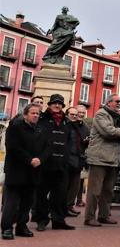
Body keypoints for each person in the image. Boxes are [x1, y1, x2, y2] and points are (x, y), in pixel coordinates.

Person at [84, 94, 120, 227]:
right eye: (117, 101)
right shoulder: (101, 114)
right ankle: (89, 217)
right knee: (94, 191)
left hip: (113, 159)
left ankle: (104, 215)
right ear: (108, 103)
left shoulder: (117, 117)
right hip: (99, 158)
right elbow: (108, 131)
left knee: (108, 191)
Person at [1, 104, 45, 240]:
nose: (36, 115)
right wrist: (30, 159)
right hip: (16, 170)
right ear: (25, 114)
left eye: (38, 113)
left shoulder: (41, 129)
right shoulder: (15, 127)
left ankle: (21, 227)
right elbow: (13, 147)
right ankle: (7, 228)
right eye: (33, 113)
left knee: (27, 202)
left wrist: (40, 159)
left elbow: (47, 147)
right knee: (12, 203)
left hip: (34, 171)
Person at [32, 94, 75, 231]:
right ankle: (41, 220)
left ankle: (58, 221)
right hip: (45, 164)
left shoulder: (67, 122)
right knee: (41, 194)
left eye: (60, 104)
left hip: (62, 164)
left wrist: (67, 159)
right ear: (49, 105)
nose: (57, 106)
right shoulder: (42, 119)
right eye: (54, 103)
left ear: (63, 106)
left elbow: (69, 142)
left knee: (60, 195)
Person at [65, 106, 89, 218]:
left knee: (75, 185)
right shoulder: (66, 125)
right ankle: (63, 207)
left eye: (82, 113)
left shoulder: (85, 127)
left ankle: (69, 206)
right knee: (64, 185)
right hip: (66, 160)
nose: (80, 115)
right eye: (78, 113)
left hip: (78, 159)